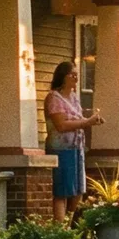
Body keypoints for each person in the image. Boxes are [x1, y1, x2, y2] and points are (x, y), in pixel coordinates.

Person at [43, 61, 102, 222]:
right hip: (61, 150)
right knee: (62, 191)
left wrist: (91, 120)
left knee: (78, 191)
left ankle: (69, 226)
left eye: (77, 74)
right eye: (72, 74)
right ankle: (60, 229)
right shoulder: (54, 98)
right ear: (62, 76)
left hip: (77, 149)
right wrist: (86, 122)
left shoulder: (74, 98)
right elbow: (61, 125)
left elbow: (78, 119)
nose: (76, 78)